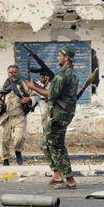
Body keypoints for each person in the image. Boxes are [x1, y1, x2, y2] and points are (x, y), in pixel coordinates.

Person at [25, 46, 79, 189]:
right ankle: (58, 175)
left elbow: (51, 94)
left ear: (66, 57)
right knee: (48, 143)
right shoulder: (72, 74)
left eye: (60, 55)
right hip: (63, 114)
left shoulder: (62, 75)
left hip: (60, 115)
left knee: (53, 144)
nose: (57, 57)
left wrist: (33, 86)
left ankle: (69, 179)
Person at [0, 65, 38, 166]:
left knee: (19, 138)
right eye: (11, 72)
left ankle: (18, 152)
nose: (13, 74)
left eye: (15, 72)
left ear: (18, 73)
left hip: (19, 116)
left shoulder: (24, 85)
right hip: (5, 117)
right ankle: (5, 159)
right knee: (3, 139)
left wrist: (29, 99)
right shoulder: (2, 86)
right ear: (8, 73)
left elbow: (36, 95)